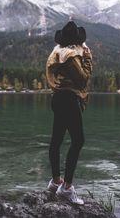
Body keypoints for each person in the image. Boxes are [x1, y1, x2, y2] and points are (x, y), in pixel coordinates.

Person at [46, 21, 92, 205]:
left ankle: (55, 181)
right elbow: (83, 80)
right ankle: (66, 188)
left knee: (56, 141)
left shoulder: (57, 51)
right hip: (69, 99)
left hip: (58, 98)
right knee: (78, 140)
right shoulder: (71, 55)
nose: (82, 46)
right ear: (76, 41)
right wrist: (88, 58)